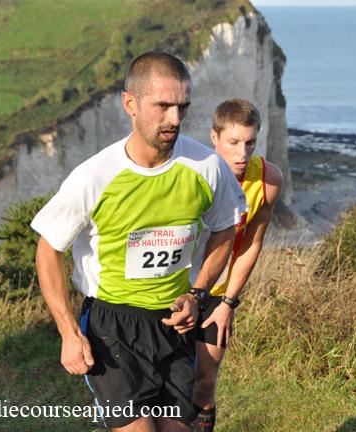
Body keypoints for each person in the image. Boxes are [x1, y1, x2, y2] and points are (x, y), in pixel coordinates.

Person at [31, 52, 246, 432]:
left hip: (176, 323)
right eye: (162, 106)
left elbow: (225, 228)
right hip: (113, 328)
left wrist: (197, 294)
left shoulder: (207, 167)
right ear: (130, 103)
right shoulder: (95, 176)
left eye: (183, 107)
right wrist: (68, 331)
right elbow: (49, 249)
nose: (175, 119)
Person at [191, 99, 283, 432]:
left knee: (205, 380)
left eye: (250, 143)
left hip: (216, 293)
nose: (242, 153)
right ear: (214, 137)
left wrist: (228, 303)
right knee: (166, 381)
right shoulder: (192, 174)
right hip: (174, 288)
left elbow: (250, 244)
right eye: (233, 142)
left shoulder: (268, 179)